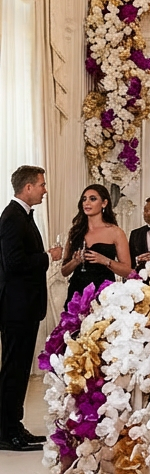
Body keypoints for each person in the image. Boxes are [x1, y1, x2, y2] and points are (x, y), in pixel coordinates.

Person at [0, 166, 62, 451]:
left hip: (23, 306)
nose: (44, 189)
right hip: (16, 307)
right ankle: (7, 431)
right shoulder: (12, 218)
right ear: (27, 188)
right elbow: (14, 264)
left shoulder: (21, 216)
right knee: (14, 369)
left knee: (20, 368)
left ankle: (14, 425)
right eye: (41, 185)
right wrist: (48, 256)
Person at [60, 185, 131, 307]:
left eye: (92, 199)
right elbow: (64, 271)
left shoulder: (115, 232)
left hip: (104, 294)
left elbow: (127, 272)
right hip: (77, 293)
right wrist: (75, 262)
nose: (87, 203)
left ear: (104, 203)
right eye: (84, 199)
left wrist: (105, 261)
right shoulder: (75, 232)